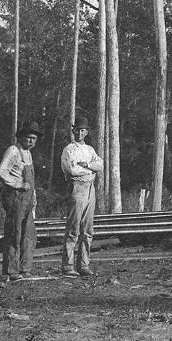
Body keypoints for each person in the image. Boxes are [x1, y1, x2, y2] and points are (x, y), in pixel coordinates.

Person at [59, 115, 103, 278]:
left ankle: (84, 265)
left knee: (87, 229)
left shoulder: (90, 150)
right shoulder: (69, 149)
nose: (79, 133)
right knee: (73, 228)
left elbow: (100, 165)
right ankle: (67, 265)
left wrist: (88, 166)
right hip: (76, 188)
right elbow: (70, 171)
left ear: (86, 132)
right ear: (73, 130)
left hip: (90, 188)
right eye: (77, 130)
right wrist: (89, 170)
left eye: (82, 130)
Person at [0, 121, 40, 280]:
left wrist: (33, 198)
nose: (30, 141)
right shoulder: (13, 151)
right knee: (14, 233)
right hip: (15, 197)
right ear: (21, 137)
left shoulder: (28, 153)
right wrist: (18, 184)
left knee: (29, 234)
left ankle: (24, 268)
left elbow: (31, 180)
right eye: (28, 138)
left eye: (34, 138)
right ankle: (11, 271)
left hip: (27, 200)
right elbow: (1, 172)